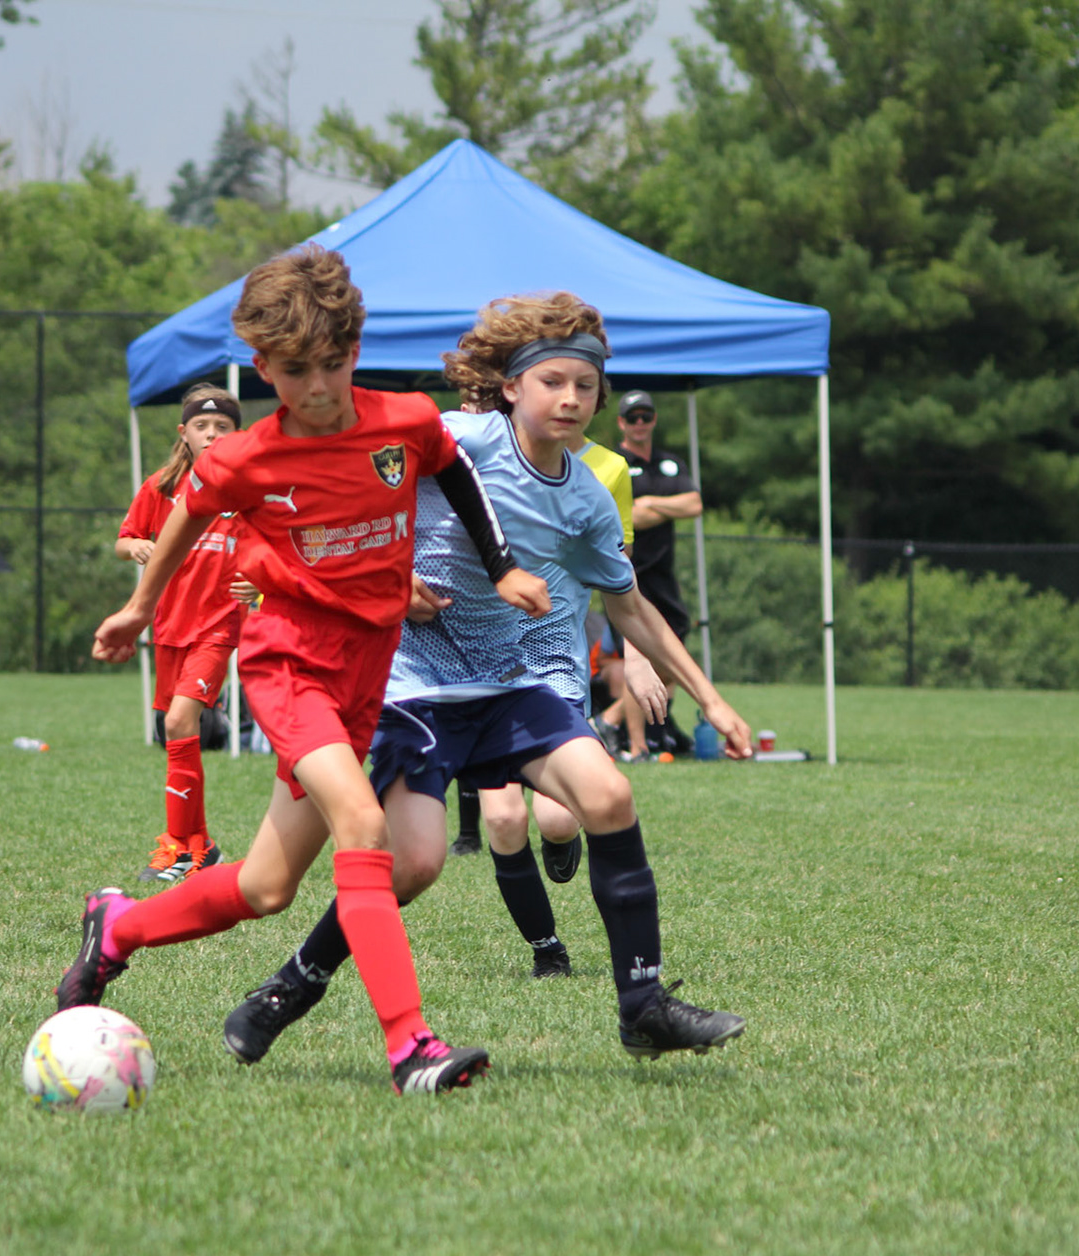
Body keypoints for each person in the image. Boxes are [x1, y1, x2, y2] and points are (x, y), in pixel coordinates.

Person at [56, 244, 551, 1096]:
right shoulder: (244, 457)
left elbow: (454, 471)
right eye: (294, 372)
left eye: (331, 364)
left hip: (366, 671)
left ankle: (118, 928)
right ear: (262, 369)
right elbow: (185, 514)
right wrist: (140, 607)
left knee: (265, 886)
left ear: (354, 350)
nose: (317, 388)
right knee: (362, 824)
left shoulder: (404, 421)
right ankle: (411, 1048)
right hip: (288, 663)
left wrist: (501, 566)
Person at [222, 291, 753, 1068]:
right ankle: (292, 984)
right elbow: (351, 494)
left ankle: (643, 1006)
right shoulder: (454, 439)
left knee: (608, 796)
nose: (570, 398)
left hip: (508, 685)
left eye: (585, 386)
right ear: (510, 387)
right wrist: (388, 577)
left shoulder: (586, 497)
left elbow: (630, 606)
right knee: (414, 865)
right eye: (552, 382)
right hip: (411, 685)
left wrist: (713, 701)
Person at [447, 409, 634, 861]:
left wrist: (640, 658)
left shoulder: (604, 471)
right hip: (488, 659)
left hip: (555, 654)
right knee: (503, 819)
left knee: (559, 820)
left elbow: (623, 580)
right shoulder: (462, 450)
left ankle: (562, 838)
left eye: (582, 386)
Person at [115, 382, 246, 884]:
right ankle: (199, 845)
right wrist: (136, 547)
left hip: (218, 626)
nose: (211, 434)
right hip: (169, 625)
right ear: (183, 432)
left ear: (238, 434)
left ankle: (177, 846)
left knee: (178, 722)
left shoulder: (245, 490)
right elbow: (124, 539)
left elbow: (272, 545)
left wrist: (260, 581)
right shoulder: (163, 486)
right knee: (176, 731)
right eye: (201, 425)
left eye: (223, 426)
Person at [599, 389, 702, 759]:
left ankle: (609, 720)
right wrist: (661, 508)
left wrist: (651, 503)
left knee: (671, 660)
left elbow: (694, 504)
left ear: (654, 419)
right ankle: (639, 745)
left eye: (646, 416)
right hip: (628, 577)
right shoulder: (614, 464)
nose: (640, 423)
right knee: (640, 659)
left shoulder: (670, 463)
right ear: (621, 423)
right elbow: (628, 518)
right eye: (633, 418)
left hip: (663, 577)